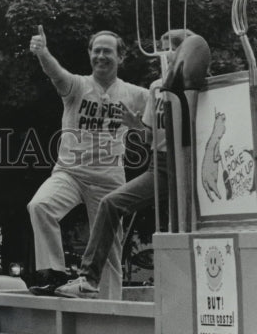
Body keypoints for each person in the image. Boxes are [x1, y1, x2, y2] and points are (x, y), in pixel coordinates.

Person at [57, 29, 195, 298]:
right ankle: (89, 279)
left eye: (169, 48)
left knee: (182, 228)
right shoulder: (157, 88)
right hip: (164, 165)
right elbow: (151, 139)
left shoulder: (195, 85)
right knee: (111, 204)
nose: (162, 55)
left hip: (192, 165)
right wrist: (135, 125)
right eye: (160, 48)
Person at [27, 27, 149, 299]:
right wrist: (43, 52)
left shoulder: (134, 94)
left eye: (108, 51)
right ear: (90, 55)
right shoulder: (77, 87)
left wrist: (136, 125)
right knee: (40, 205)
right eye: (97, 50)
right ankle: (53, 273)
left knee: (111, 251)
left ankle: (111, 311)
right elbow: (56, 74)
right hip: (70, 173)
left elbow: (157, 125)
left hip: (108, 179)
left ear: (120, 57)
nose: (101, 56)